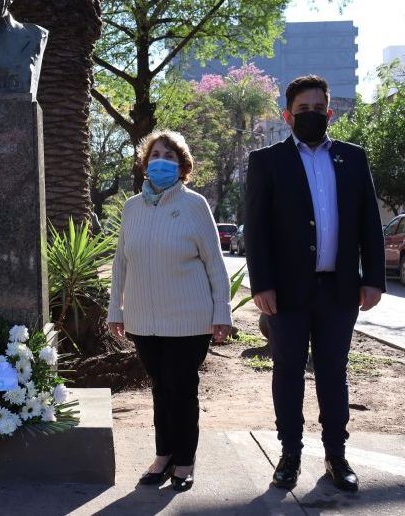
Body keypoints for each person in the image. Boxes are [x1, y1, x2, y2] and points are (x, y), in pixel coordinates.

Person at [244, 75, 385, 492]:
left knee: (333, 373)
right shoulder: (267, 161)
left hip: (339, 291)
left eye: (317, 108)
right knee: (287, 372)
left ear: (330, 111)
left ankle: (336, 456)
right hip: (285, 293)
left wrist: (373, 279)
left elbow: (368, 224)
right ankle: (289, 455)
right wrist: (262, 284)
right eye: (302, 110)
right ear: (287, 116)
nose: (311, 115)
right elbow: (257, 230)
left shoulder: (353, 158)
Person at [107, 130, 232, 492]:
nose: (161, 160)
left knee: (181, 389)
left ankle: (185, 462)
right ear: (145, 165)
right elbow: (120, 264)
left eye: (169, 155)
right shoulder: (132, 208)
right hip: (144, 319)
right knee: (160, 389)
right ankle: (163, 456)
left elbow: (214, 263)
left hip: (188, 319)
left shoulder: (195, 205)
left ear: (182, 165)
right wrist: (117, 309)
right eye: (155, 154)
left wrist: (221, 312)